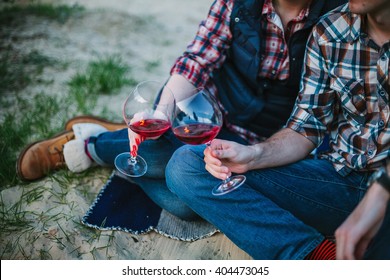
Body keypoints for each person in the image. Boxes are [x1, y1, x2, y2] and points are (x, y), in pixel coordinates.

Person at [17, 0, 346, 221]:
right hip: (207, 115)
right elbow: (196, 60)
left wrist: (259, 152)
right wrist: (162, 111)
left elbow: (314, 117)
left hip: (267, 142)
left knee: (183, 204)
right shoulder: (237, 3)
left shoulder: (338, 17)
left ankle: (120, 140)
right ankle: (93, 145)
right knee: (163, 136)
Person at [166, 0, 390, 260]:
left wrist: (382, 192)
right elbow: (306, 128)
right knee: (187, 165)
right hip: (341, 182)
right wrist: (254, 155)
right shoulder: (332, 28)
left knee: (179, 200)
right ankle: (317, 258)